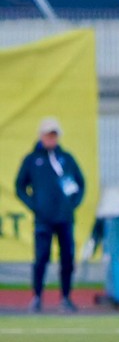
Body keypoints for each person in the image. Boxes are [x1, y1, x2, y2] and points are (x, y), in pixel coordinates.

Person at [15, 117, 85, 313]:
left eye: (54, 135)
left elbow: (80, 183)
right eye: (48, 134)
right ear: (41, 136)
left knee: (67, 258)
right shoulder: (32, 160)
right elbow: (20, 186)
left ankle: (66, 297)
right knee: (41, 258)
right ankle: (37, 297)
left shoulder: (67, 159)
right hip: (43, 220)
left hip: (64, 218)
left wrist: (72, 204)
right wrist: (35, 205)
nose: (50, 138)